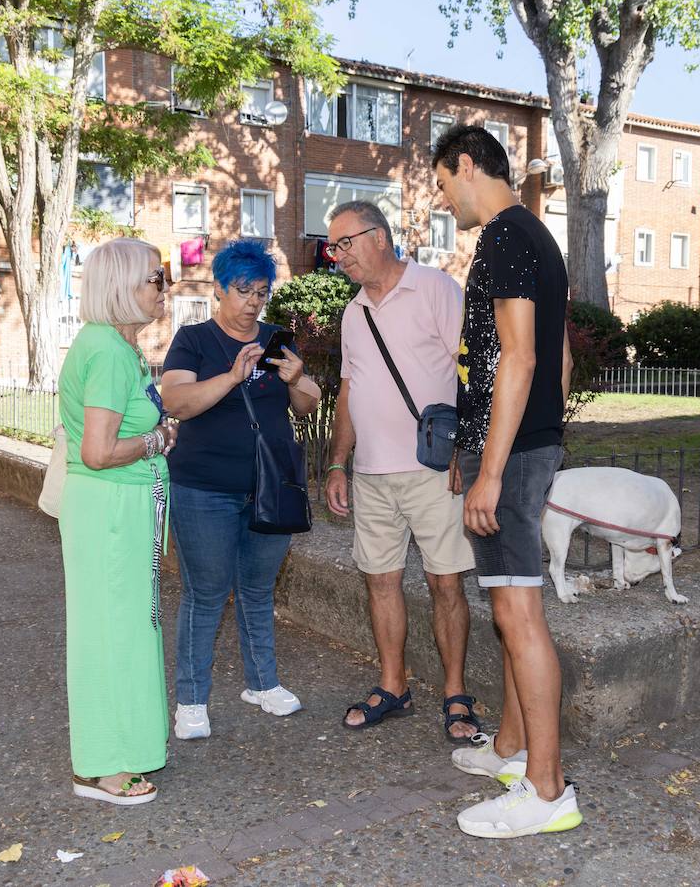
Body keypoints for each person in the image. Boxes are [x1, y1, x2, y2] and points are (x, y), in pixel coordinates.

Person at [431, 124, 581, 838]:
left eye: (440, 183)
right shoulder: (536, 236)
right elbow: (558, 363)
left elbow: (518, 362)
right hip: (523, 445)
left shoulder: (503, 238)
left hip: (513, 453)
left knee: (518, 616)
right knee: (511, 611)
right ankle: (515, 751)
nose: (443, 199)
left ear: (465, 166)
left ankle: (547, 789)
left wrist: (492, 469)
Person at [322, 200, 480, 740]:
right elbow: (349, 389)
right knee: (381, 583)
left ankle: (457, 693)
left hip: (433, 469)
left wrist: (468, 448)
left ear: (379, 237)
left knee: (446, 585)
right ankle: (394, 685)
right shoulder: (353, 312)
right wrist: (338, 462)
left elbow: (474, 366)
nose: (336, 256)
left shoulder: (435, 288)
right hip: (370, 473)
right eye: (333, 247)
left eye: (344, 243)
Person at [160, 240, 322, 740]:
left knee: (256, 590)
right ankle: (191, 700)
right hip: (203, 488)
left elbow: (308, 405)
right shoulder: (194, 340)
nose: (254, 300)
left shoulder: (277, 338)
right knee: (206, 594)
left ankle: (263, 684)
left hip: (269, 489)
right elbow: (178, 402)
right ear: (219, 290)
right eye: (243, 289)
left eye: (262, 291)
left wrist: (297, 379)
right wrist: (232, 377)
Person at [58, 237, 177, 806]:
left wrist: (154, 439)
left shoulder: (115, 347)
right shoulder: (106, 350)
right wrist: (157, 438)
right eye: (156, 277)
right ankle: (104, 767)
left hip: (118, 510)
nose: (165, 286)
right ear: (123, 285)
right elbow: (98, 451)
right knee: (111, 633)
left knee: (128, 628)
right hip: (109, 511)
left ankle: (125, 747)